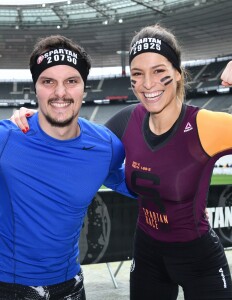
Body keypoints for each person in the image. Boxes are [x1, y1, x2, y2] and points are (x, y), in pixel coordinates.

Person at [11, 24, 232, 300]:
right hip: (147, 255)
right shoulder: (127, 120)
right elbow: (81, 149)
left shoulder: (207, 125)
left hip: (199, 259)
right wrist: (34, 120)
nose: (147, 84)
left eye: (158, 71)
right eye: (138, 74)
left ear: (177, 73)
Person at [0, 35, 135, 300]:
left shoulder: (106, 145)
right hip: (7, 287)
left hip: (70, 287)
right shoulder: (6, 138)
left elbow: (136, 184)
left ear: (84, 87)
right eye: (48, 81)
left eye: (71, 81)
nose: (60, 93)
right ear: (35, 87)